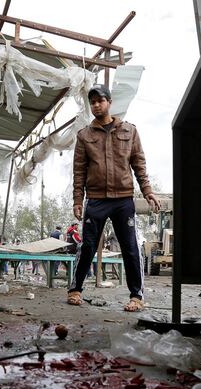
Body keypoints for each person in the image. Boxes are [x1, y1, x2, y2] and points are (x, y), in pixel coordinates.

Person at [66, 84, 161, 312]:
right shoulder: (84, 135)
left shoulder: (130, 131)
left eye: (100, 101)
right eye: (92, 102)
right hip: (96, 199)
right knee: (87, 246)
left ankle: (136, 296)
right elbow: (79, 170)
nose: (96, 105)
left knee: (130, 247)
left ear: (109, 102)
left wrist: (147, 190)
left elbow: (138, 163)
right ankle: (75, 290)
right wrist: (78, 200)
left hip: (123, 200)